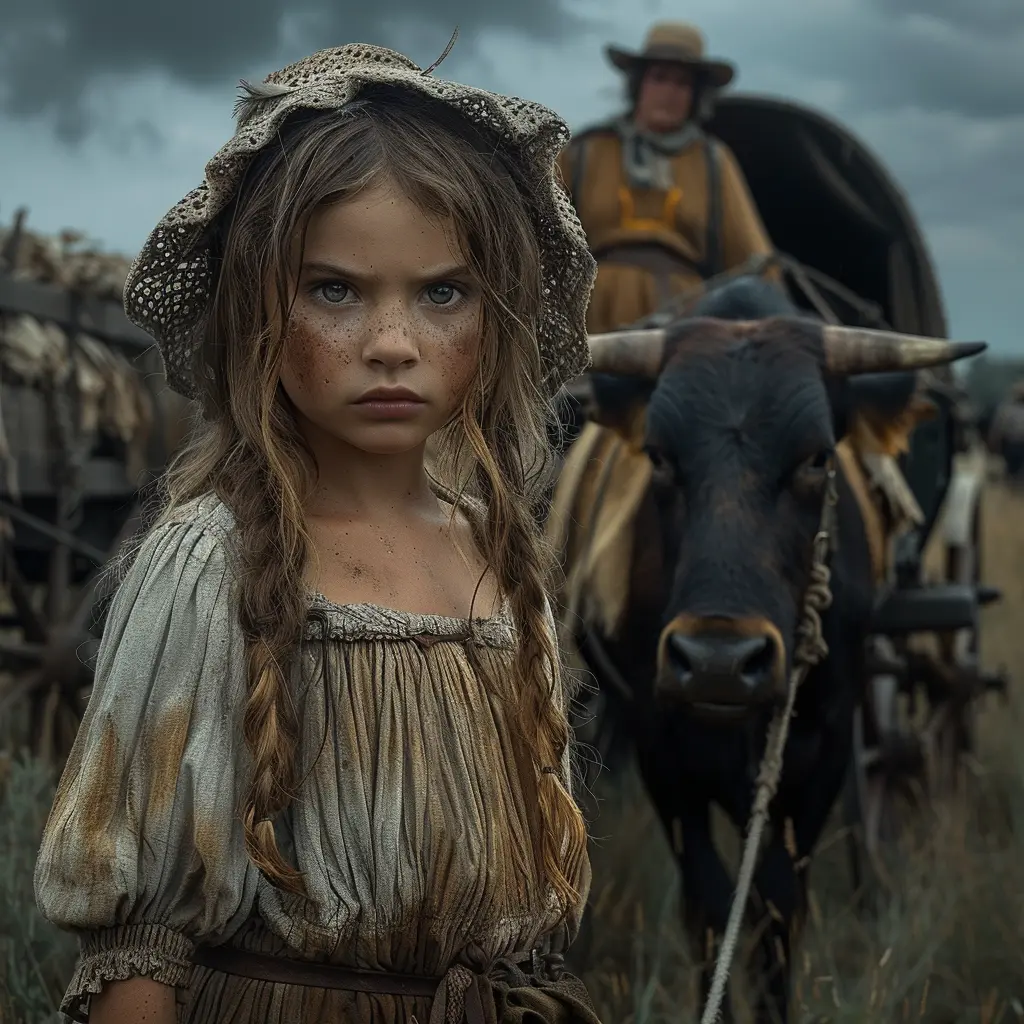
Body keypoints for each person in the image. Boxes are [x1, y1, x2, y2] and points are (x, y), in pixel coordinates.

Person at [33, 42, 602, 1024]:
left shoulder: (500, 564)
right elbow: (136, 941)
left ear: (494, 313)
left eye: (442, 292)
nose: (392, 342)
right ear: (260, 304)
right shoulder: (214, 561)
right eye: (334, 289)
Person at [557, 21, 779, 334]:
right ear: (638, 84)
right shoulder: (586, 151)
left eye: (682, 83)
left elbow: (753, 257)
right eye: (659, 78)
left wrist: (776, 319)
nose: (669, 92)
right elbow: (537, 237)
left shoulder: (712, 159)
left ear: (696, 95)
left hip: (688, 320)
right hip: (590, 313)